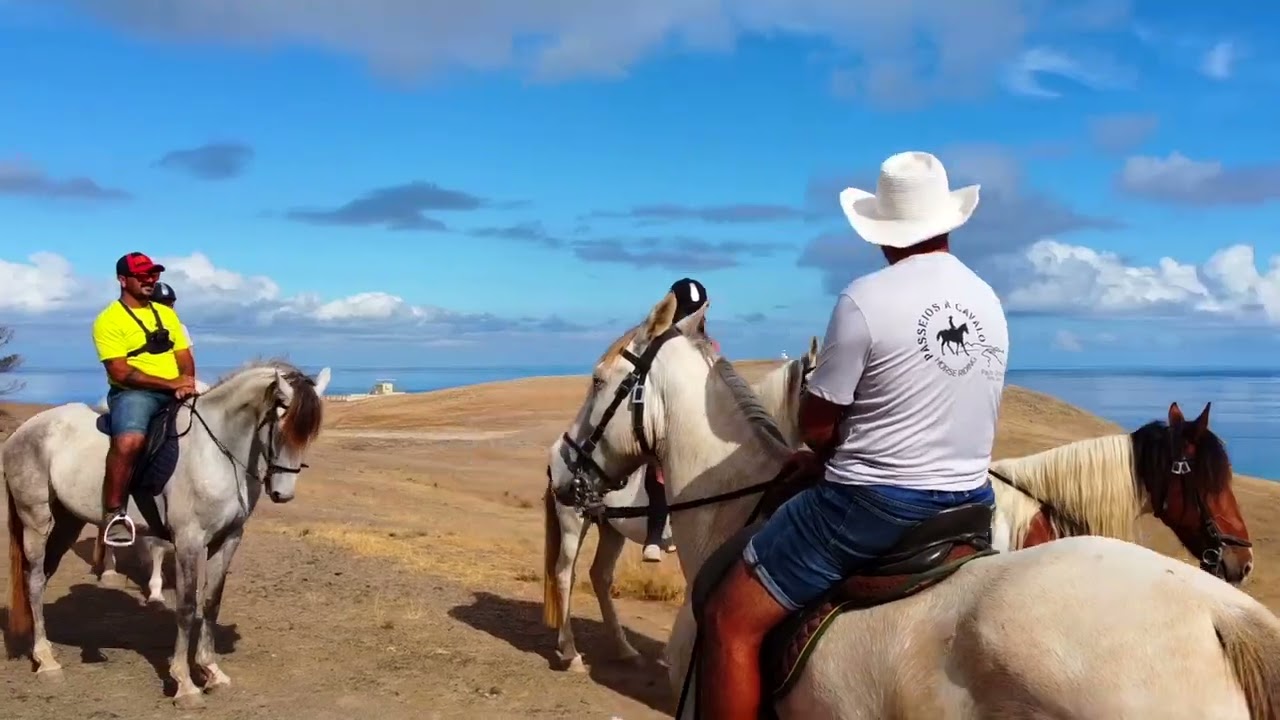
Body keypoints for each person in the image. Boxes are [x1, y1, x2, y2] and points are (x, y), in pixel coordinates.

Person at [697, 151, 1010, 718]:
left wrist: (824, 454)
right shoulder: (988, 300)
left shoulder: (865, 299)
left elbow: (818, 427)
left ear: (882, 230)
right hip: (972, 503)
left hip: (869, 509)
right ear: (944, 222)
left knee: (728, 620)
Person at [92, 252, 198, 547]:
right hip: (133, 394)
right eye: (142, 275)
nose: (150, 280)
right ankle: (114, 513)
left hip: (176, 388)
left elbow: (184, 356)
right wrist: (170, 382)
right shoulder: (108, 320)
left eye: (153, 274)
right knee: (129, 442)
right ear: (122, 280)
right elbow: (121, 372)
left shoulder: (167, 315)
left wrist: (187, 382)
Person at [642, 277, 713, 562]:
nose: (691, 319)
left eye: (696, 313)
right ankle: (654, 534)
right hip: (664, 417)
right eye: (686, 313)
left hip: (700, 419)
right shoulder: (657, 344)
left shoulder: (708, 346)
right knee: (660, 465)